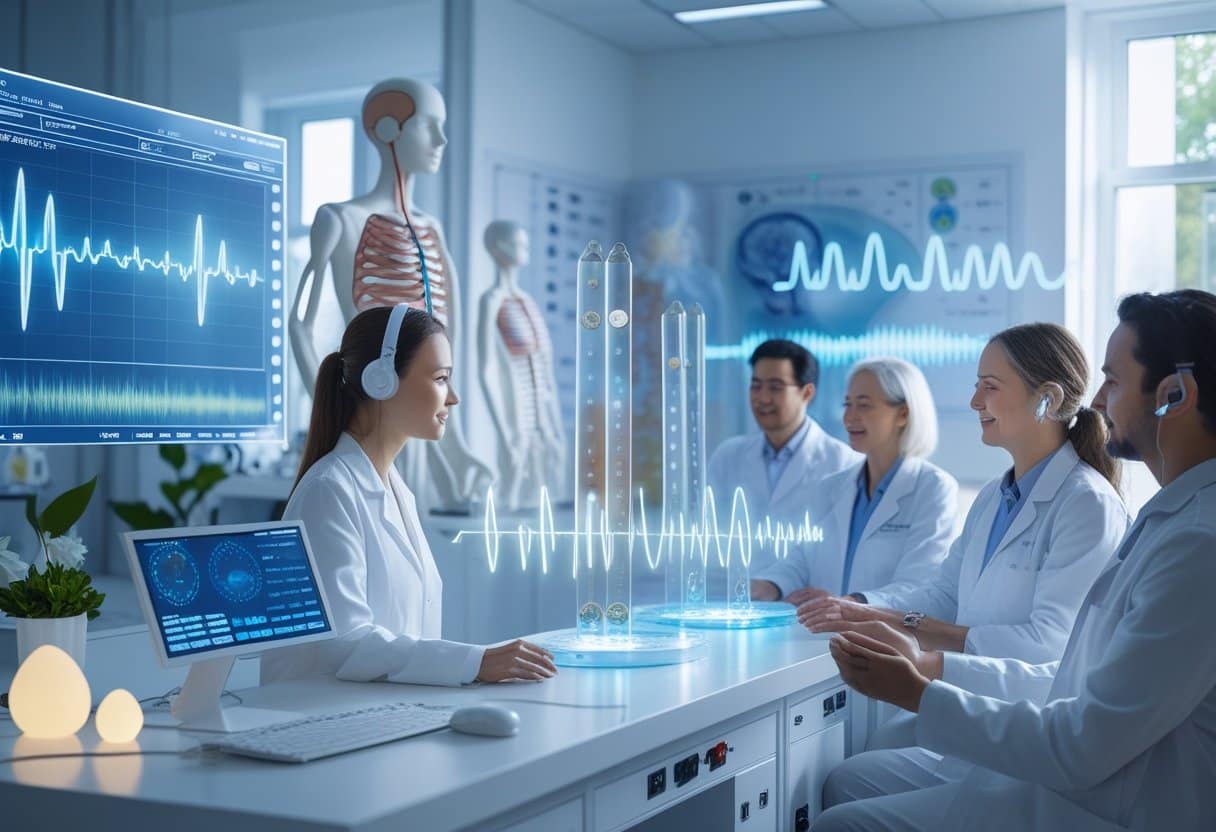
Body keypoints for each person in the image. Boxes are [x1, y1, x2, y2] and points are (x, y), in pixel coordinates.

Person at [816, 290, 1216, 831]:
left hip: (1104, 798)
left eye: (1114, 381)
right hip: (1075, 766)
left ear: (1173, 395)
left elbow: (1073, 716)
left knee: (842, 822)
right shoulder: (1170, 516)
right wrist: (867, 610)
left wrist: (921, 682)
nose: (1098, 401)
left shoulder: (1188, 538)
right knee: (849, 782)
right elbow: (949, 596)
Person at [798, 323, 1128, 788]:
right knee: (858, 765)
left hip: (1026, 737)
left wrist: (921, 648)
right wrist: (861, 610)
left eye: (989, 388)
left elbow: (1049, 645)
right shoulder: (996, 495)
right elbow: (943, 591)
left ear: (1047, 399)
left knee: (843, 790)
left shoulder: (1085, 504)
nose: (974, 402)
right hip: (981, 717)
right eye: (977, 386)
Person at [261, 305, 557, 686]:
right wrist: (473, 662)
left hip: (383, 713)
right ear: (381, 380)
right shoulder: (328, 491)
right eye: (440, 378)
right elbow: (346, 643)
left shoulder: (396, 490)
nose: (453, 397)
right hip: (317, 721)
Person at [751, 357, 957, 606]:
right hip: (821, 636)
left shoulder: (933, 489)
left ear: (903, 413)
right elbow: (802, 561)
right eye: (847, 404)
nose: (849, 417)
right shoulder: (831, 488)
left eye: (864, 405)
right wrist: (770, 586)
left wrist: (850, 603)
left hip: (883, 639)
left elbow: (919, 585)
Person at [708, 339, 861, 535]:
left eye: (775, 387)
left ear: (807, 393)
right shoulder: (727, 457)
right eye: (756, 386)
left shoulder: (844, 463)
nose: (763, 398)